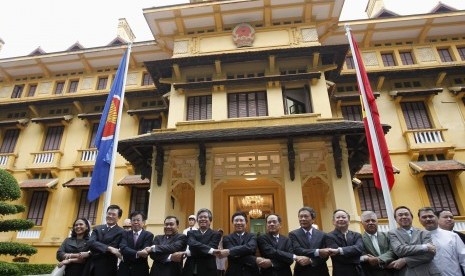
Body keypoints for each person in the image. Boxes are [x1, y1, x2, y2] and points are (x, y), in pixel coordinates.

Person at [387, 206, 440, 276]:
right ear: (396, 219)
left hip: (429, 272)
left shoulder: (424, 232)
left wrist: (405, 260)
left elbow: (430, 254)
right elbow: (399, 250)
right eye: (400, 215)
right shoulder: (392, 233)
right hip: (408, 272)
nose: (404, 217)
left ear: (411, 217)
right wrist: (424, 247)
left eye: (406, 214)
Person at [418, 207, 465, 276]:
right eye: (424, 217)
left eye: (431, 216)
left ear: (436, 218)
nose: (428, 219)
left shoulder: (452, 236)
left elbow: (463, 258)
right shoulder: (417, 238)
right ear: (419, 220)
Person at [84, 204, 125, 276]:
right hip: (91, 265)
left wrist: (96, 246)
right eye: (109, 214)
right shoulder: (97, 228)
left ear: (119, 217)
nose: (110, 216)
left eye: (113, 214)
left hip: (107, 267)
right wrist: (109, 248)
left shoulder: (121, 232)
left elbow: (114, 246)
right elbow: (90, 242)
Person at [289, 207, 330, 276]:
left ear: (313, 219)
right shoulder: (293, 234)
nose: (303, 219)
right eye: (300, 217)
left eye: (306, 216)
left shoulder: (323, 234)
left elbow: (325, 255)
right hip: (301, 271)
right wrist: (318, 251)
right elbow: (297, 250)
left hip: (320, 271)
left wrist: (311, 261)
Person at [216, 211, 258, 276]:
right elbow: (232, 255)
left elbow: (251, 248)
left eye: (241, 220)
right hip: (233, 272)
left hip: (251, 272)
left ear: (246, 223)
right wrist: (254, 260)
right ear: (233, 223)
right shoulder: (227, 238)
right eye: (236, 221)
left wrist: (229, 251)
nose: (238, 223)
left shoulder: (253, 236)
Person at [182, 208, 222, 276]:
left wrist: (190, 252)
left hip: (208, 270)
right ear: (197, 221)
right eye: (200, 217)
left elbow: (211, 247)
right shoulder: (191, 232)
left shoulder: (216, 234)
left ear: (210, 220)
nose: (202, 219)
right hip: (191, 269)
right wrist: (211, 250)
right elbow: (192, 244)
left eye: (205, 217)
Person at [325, 209, 364, 276]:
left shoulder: (357, 235)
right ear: (333, 222)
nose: (341, 219)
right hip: (341, 273)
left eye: (343, 217)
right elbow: (339, 257)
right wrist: (361, 258)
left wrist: (339, 250)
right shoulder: (329, 236)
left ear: (348, 221)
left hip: (358, 272)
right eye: (338, 217)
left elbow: (359, 249)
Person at [360, 211, 397, 276]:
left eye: (373, 220)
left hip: (392, 272)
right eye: (367, 221)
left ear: (377, 222)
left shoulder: (387, 235)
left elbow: (393, 251)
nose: (371, 223)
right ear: (362, 223)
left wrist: (378, 259)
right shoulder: (360, 240)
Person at [118, 211, 154, 276]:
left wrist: (128, 252)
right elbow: (123, 248)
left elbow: (145, 252)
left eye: (138, 220)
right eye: (133, 220)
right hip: (124, 270)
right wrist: (137, 253)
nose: (135, 222)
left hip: (140, 270)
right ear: (131, 222)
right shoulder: (125, 234)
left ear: (143, 222)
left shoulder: (149, 235)